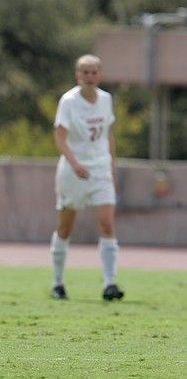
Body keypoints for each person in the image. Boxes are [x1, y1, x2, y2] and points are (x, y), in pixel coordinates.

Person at [50, 54, 124, 301]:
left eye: (94, 72)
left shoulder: (106, 99)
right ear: (77, 75)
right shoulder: (69, 101)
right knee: (65, 227)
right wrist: (74, 163)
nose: (90, 76)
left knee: (107, 224)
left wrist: (112, 166)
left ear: (100, 75)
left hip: (100, 169)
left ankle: (109, 284)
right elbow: (60, 137)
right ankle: (58, 282)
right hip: (74, 172)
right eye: (85, 72)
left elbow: (107, 135)